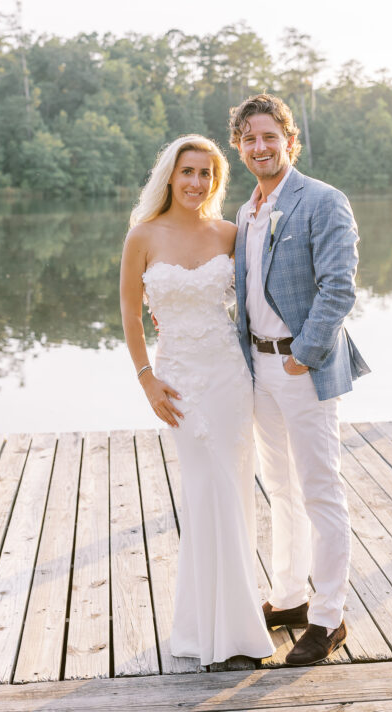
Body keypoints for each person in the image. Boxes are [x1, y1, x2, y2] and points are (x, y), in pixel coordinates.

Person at [120, 134, 274, 667]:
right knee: (203, 491)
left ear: (216, 181)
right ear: (170, 176)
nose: (196, 182)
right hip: (179, 379)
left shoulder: (230, 234)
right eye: (188, 172)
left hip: (229, 378)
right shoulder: (143, 236)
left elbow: (262, 298)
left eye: (206, 174)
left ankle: (236, 633)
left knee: (232, 491)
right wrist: (147, 380)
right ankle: (204, 630)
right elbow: (130, 313)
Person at [230, 94, 370, 667]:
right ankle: (289, 598)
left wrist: (302, 355)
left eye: (270, 137)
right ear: (239, 147)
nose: (260, 148)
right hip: (258, 369)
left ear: (291, 141)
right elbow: (243, 288)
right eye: (249, 139)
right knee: (281, 489)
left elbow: (340, 288)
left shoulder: (322, 201)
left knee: (320, 490)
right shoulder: (246, 212)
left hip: (301, 368)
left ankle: (329, 616)